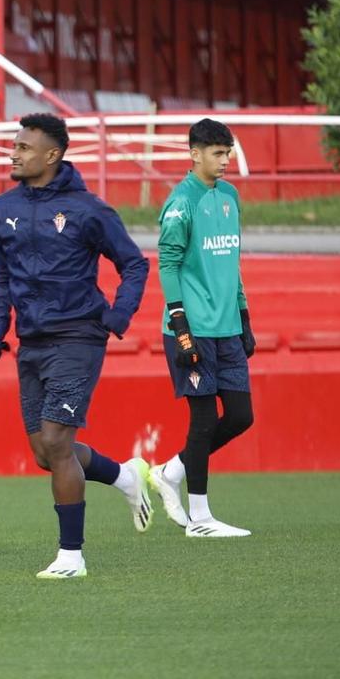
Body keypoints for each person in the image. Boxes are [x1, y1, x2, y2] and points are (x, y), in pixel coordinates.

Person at [0, 113, 154, 579]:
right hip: (30, 340)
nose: (14, 153)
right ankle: (124, 475)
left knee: (58, 441)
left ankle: (71, 557)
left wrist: (118, 318)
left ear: (52, 155)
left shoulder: (89, 209)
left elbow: (134, 265)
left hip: (79, 335)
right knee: (46, 452)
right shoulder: (1, 209)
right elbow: (0, 275)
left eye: (23, 147)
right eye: (14, 146)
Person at [150, 118, 255, 537]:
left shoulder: (230, 197)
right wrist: (180, 325)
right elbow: (168, 264)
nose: (224, 160)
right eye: (217, 152)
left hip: (227, 327)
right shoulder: (180, 203)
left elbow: (232, 263)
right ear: (194, 154)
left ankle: (169, 472)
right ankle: (200, 518)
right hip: (191, 328)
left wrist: (244, 315)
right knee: (204, 419)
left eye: (227, 152)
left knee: (242, 416)